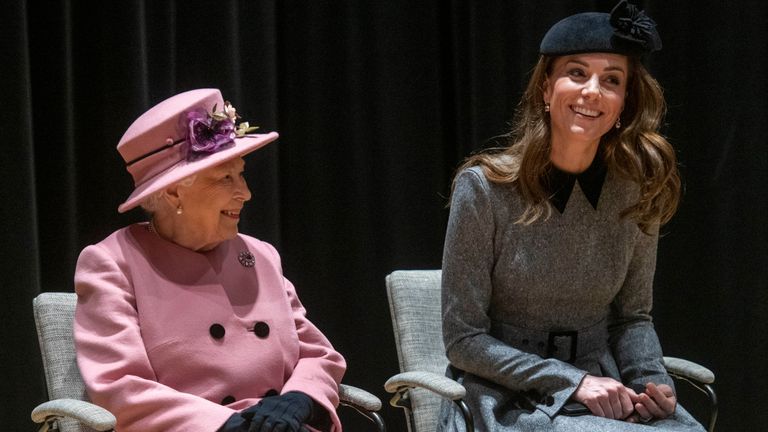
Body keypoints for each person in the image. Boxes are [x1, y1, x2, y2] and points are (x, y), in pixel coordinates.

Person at [438, 2, 705, 431]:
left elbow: (632, 317)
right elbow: (463, 341)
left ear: (624, 103)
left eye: (612, 80)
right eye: (577, 73)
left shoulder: (637, 190)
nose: (592, 91)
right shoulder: (484, 188)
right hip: (508, 396)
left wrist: (651, 382)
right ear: (546, 88)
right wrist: (572, 380)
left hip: (606, 389)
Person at [74, 88, 346, 432]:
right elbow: (122, 388)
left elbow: (317, 355)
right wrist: (228, 424)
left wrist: (300, 399)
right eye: (225, 178)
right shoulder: (112, 264)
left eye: (242, 174)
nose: (245, 193)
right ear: (174, 192)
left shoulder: (260, 255)